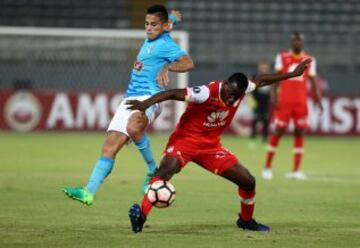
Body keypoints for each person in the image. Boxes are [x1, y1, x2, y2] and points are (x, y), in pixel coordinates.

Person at [126, 59, 312, 233]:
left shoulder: (242, 89)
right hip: (185, 141)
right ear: (226, 85)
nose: (231, 100)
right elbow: (173, 93)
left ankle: (246, 220)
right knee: (166, 170)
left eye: (236, 97)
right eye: (230, 94)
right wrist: (145, 104)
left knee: (248, 181)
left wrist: (292, 74)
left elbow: (262, 80)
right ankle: (141, 215)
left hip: (211, 147)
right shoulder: (206, 92)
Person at [63, 5, 194, 205]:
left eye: (153, 25)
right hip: (130, 98)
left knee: (134, 126)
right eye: (147, 24)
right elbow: (166, 23)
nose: (149, 28)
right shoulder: (155, 34)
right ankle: (88, 191)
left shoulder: (167, 44)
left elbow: (188, 63)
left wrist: (168, 66)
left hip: (151, 98)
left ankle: (152, 169)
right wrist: (173, 18)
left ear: (163, 26)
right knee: (109, 147)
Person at [262, 32, 323, 180]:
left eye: (299, 41)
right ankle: (267, 167)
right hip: (285, 101)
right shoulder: (282, 57)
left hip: (301, 102)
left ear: (302, 42)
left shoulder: (310, 60)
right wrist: (274, 94)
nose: (297, 43)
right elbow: (276, 77)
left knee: (300, 132)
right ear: (291, 42)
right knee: (278, 131)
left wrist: (318, 99)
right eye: (295, 41)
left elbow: (313, 81)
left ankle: (296, 170)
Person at [249, 59, 271, 143]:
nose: (264, 68)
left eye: (265, 67)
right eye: (262, 67)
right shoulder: (255, 76)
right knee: (255, 120)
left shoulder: (270, 76)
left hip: (265, 101)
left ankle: (265, 138)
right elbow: (249, 88)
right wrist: (251, 99)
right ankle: (252, 137)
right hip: (256, 101)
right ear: (259, 67)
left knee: (265, 121)